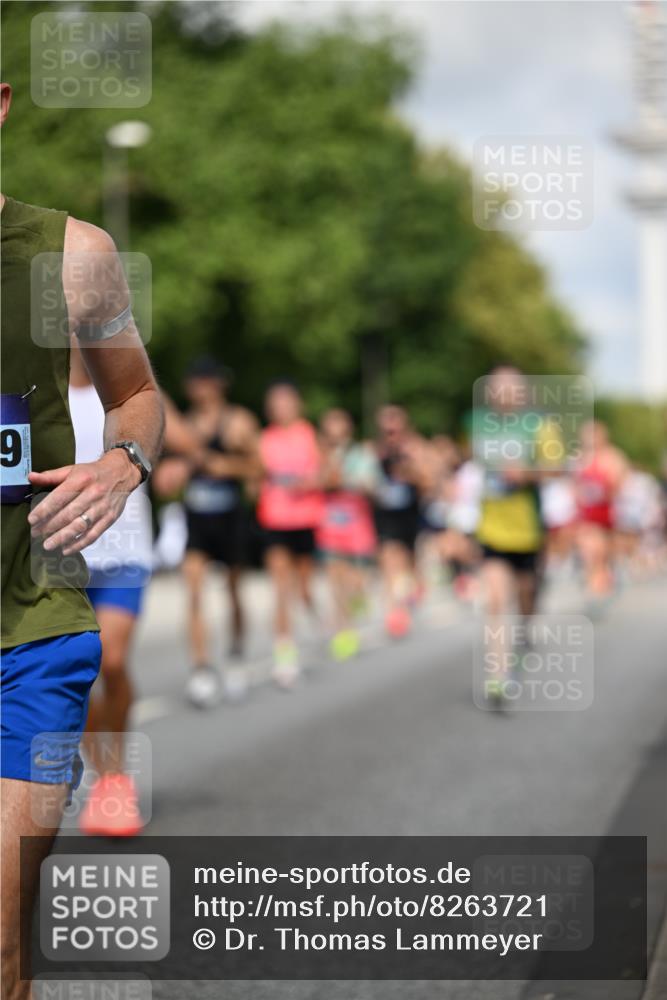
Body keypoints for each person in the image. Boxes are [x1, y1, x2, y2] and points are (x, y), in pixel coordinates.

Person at [1, 76, 163, 1000]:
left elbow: (135, 393)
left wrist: (121, 462)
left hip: (32, 629)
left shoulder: (73, 255)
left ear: (0, 104)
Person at [68, 344, 153, 836]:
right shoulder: (41, 395)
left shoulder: (126, 390)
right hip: (64, 557)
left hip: (125, 553)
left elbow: (171, 432)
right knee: (75, 676)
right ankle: (108, 780)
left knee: (113, 660)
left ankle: (116, 772)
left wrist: (181, 460)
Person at [473, 366, 561, 704]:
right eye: (495, 388)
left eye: (507, 388)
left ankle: (526, 626)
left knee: (526, 595)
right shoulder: (479, 425)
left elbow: (557, 467)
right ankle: (499, 674)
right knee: (495, 600)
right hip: (491, 529)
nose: (500, 394)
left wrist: (526, 474)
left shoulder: (539, 425)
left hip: (527, 531)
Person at [178, 357, 260, 707]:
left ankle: (237, 656)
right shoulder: (185, 424)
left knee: (233, 589)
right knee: (194, 590)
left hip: (230, 518)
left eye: (202, 382)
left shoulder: (238, 421)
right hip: (197, 518)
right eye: (193, 383)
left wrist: (224, 466)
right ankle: (201, 668)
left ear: (217, 384)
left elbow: (259, 466)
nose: (196, 389)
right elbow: (172, 465)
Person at [257, 381, 324, 688]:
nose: (281, 408)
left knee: (304, 588)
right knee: (281, 588)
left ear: (297, 405)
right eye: (276, 403)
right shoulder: (264, 439)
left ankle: (313, 617)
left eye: (286, 402)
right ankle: (285, 655)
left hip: (306, 519)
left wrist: (309, 481)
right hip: (275, 520)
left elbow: (327, 472)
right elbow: (256, 474)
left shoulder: (309, 434)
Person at [317, 408, 379, 660]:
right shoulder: (320, 454)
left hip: (357, 523)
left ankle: (357, 605)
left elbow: (372, 486)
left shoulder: (362, 454)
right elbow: (316, 481)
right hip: (330, 524)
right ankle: (343, 631)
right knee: (335, 580)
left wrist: (350, 481)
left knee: (356, 581)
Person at [373, 405, 429, 637]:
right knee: (389, 560)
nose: (391, 436)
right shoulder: (376, 451)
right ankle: (395, 612)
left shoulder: (415, 448)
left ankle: (410, 593)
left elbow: (428, 481)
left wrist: (409, 471)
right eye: (387, 431)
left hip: (410, 516)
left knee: (408, 564)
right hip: (386, 517)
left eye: (394, 430)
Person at [573, 420, 627, 608]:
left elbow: (619, 485)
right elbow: (574, 484)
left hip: (607, 512)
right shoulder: (580, 457)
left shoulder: (613, 457)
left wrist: (606, 489)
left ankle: (605, 577)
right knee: (589, 550)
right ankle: (593, 584)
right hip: (587, 514)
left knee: (603, 553)